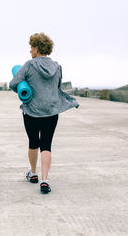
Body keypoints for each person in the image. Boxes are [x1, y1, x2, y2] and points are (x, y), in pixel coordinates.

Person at [9, 32, 78, 194]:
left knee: (33, 142)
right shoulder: (57, 67)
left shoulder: (29, 65)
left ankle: (33, 174)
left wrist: (23, 89)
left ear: (38, 48)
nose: (30, 51)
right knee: (46, 145)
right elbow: (57, 87)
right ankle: (45, 180)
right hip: (52, 112)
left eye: (32, 47)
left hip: (32, 111)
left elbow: (14, 83)